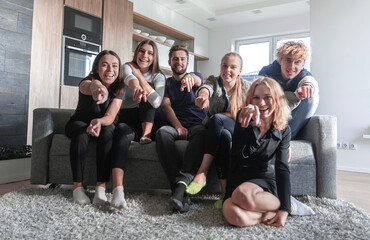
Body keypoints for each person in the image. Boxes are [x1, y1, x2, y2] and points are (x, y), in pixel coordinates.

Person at [222, 76, 292, 227]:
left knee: (243, 195)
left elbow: (282, 168)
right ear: (250, 100)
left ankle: (281, 205)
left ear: (277, 99)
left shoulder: (284, 129)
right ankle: (266, 213)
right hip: (238, 178)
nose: (261, 103)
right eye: (256, 98)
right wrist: (251, 125)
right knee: (235, 216)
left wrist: (285, 209)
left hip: (264, 180)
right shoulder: (244, 117)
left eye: (268, 97)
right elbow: (239, 155)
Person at [65, 50, 130, 209]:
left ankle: (100, 188)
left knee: (109, 130)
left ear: (118, 70)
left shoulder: (120, 88)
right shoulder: (87, 81)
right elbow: (90, 86)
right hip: (79, 123)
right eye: (104, 65)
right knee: (81, 132)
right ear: (96, 69)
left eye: (114, 66)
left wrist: (99, 121)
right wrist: (98, 88)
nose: (110, 70)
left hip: (100, 124)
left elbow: (110, 116)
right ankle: (77, 187)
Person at [186, 52, 251, 209]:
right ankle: (224, 193)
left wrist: (226, 115)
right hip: (213, 128)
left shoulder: (247, 87)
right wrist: (203, 97)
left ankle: (202, 172)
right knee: (223, 135)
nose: (227, 70)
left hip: (236, 127)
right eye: (224, 65)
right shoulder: (214, 81)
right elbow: (205, 88)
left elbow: (248, 112)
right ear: (220, 66)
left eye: (233, 67)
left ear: (240, 70)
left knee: (219, 122)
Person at [156, 45, 207, 213]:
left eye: (182, 59)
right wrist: (177, 125)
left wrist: (190, 78)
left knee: (201, 133)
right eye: (175, 59)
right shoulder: (166, 83)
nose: (179, 62)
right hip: (174, 125)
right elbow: (165, 106)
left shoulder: (195, 77)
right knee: (162, 133)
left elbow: (198, 80)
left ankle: (179, 189)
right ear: (170, 61)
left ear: (187, 62)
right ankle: (178, 189)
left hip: (196, 124)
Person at [259, 41, 319, 139]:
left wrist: (307, 86)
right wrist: (289, 97)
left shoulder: (303, 75)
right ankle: (272, 136)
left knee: (311, 95)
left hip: (290, 123)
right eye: (288, 60)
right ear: (280, 60)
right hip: (269, 120)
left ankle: (284, 138)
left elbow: (308, 79)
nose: (292, 67)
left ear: (303, 64)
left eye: (297, 62)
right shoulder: (267, 71)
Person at [119, 40, 166, 144]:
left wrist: (139, 75)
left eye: (150, 53)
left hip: (153, 121)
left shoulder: (159, 76)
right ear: (136, 53)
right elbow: (129, 77)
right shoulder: (127, 67)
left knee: (150, 90)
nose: (145, 55)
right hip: (128, 117)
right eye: (141, 51)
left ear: (154, 57)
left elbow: (157, 102)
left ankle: (146, 134)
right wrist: (137, 86)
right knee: (121, 133)